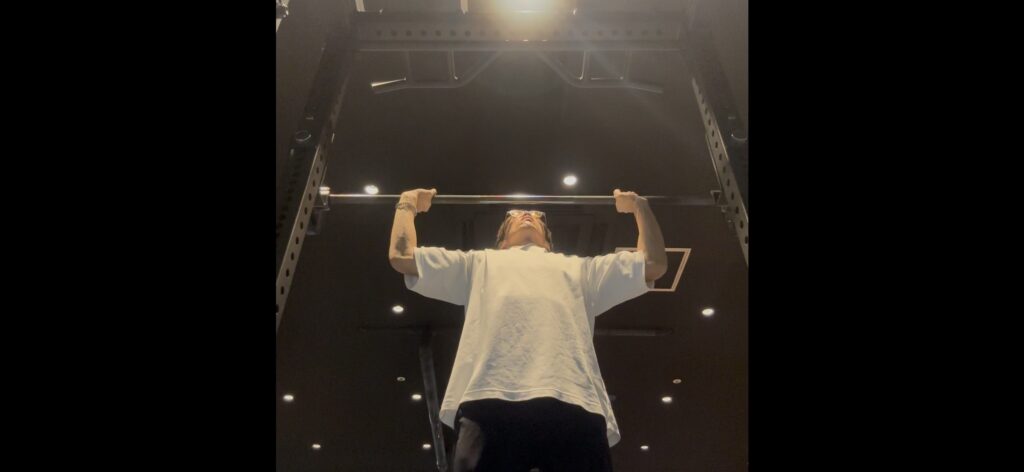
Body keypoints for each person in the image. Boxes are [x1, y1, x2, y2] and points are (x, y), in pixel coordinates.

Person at [388, 188, 668, 471]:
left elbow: (653, 263)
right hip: (489, 397)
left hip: (573, 399)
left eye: (537, 215)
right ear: (501, 241)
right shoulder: (478, 262)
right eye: (515, 214)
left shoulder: (583, 269)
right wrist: (407, 204)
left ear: (547, 241)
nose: (527, 214)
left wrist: (640, 207)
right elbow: (402, 256)